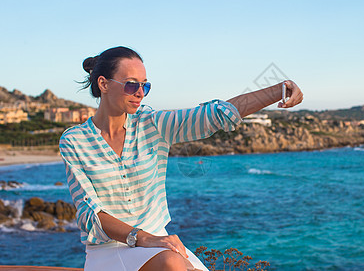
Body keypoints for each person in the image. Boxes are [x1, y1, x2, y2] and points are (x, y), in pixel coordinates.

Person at [59, 46, 303, 271]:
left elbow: (215, 116)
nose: (140, 93)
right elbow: (89, 214)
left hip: (160, 244)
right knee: (173, 264)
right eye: (132, 85)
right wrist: (144, 238)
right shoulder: (74, 141)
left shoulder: (151, 124)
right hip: (111, 251)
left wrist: (279, 89)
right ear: (103, 83)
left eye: (145, 85)